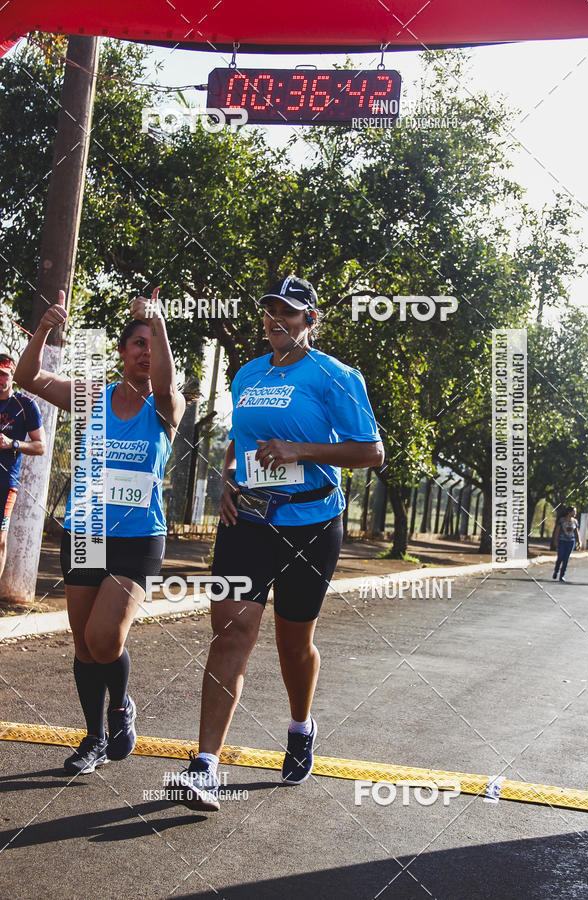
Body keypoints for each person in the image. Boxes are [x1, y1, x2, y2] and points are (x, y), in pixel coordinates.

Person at [168, 275, 384, 811]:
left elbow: (370, 452)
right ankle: (206, 765)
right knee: (231, 635)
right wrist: (227, 483)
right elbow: (241, 441)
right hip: (249, 522)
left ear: (310, 319)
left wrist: (298, 451)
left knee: (293, 643)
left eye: (287, 312)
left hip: (310, 524)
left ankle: (300, 724)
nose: (274, 320)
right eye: (269, 312)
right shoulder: (246, 374)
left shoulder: (335, 376)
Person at [15, 288, 185, 774]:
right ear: (121, 351)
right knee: (84, 645)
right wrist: (46, 328)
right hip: (85, 530)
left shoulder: (166, 407)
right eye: (138, 343)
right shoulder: (92, 396)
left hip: (137, 540)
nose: (145, 352)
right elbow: (28, 377)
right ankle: (93, 737)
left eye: (153, 345)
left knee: (105, 637)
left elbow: (167, 379)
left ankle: (121, 706)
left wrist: (158, 322)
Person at [0, 353, 46, 578]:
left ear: (12, 376)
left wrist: (12, 443)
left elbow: (40, 446)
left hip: (5, 483)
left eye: (2, 374)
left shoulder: (25, 405)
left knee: (0, 538)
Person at [552, 506, 580, 582]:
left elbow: (576, 532)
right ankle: (556, 571)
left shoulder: (575, 521)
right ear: (569, 512)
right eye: (574, 512)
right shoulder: (562, 520)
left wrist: (578, 541)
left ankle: (562, 575)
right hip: (562, 541)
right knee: (560, 557)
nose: (575, 513)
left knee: (566, 559)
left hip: (571, 542)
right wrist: (555, 541)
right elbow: (557, 531)